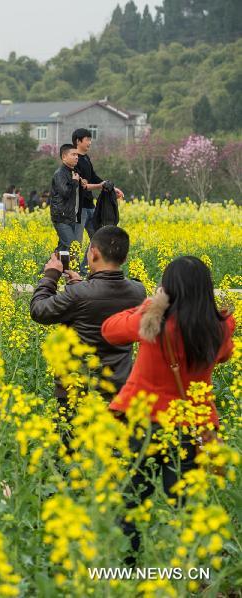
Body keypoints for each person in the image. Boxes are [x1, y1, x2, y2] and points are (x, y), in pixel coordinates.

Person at [102, 256, 235, 562]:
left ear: (167, 289)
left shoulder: (154, 323)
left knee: (134, 497)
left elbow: (110, 330)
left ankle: (127, 566)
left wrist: (149, 307)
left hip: (146, 422)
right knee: (185, 502)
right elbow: (225, 355)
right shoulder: (221, 327)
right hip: (191, 425)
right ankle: (186, 567)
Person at [29, 225, 147, 447]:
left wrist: (51, 275)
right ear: (125, 257)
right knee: (111, 455)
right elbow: (103, 299)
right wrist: (81, 285)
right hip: (117, 388)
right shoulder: (138, 291)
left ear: (93, 252)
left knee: (70, 455)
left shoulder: (79, 294)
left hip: (77, 389)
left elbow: (39, 310)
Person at [73, 128, 124, 272]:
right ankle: (72, 271)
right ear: (78, 141)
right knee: (76, 242)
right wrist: (100, 186)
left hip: (90, 205)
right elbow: (81, 186)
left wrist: (112, 189)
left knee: (96, 239)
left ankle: (83, 269)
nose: (90, 142)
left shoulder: (86, 158)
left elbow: (94, 177)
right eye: (87, 139)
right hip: (78, 208)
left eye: (90, 139)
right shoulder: (74, 160)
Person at [50, 144, 83, 257]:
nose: (76, 157)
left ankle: (46, 272)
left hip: (70, 217)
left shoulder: (72, 172)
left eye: (77, 155)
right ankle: (74, 272)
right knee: (73, 246)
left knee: (63, 249)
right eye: (73, 154)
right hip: (61, 217)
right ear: (64, 157)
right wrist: (74, 182)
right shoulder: (60, 173)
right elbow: (65, 193)